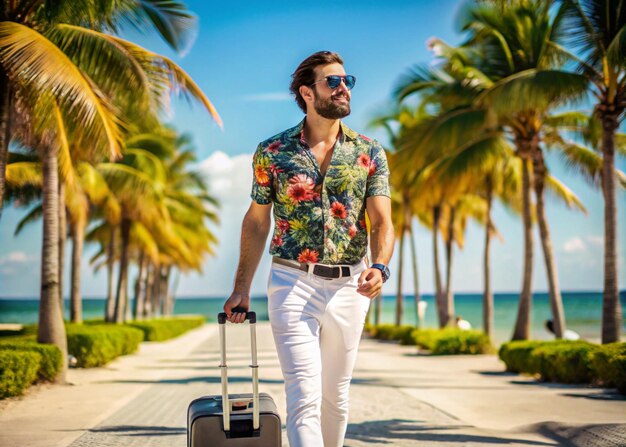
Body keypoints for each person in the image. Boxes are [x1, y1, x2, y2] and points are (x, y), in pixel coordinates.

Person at [223, 50, 394, 447]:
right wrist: (241, 288)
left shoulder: (370, 152)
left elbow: (382, 221)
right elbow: (256, 220)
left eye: (346, 81)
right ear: (307, 92)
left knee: (335, 397)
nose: (343, 89)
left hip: (352, 285)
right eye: (332, 82)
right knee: (303, 397)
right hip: (291, 281)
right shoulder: (273, 152)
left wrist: (380, 266)